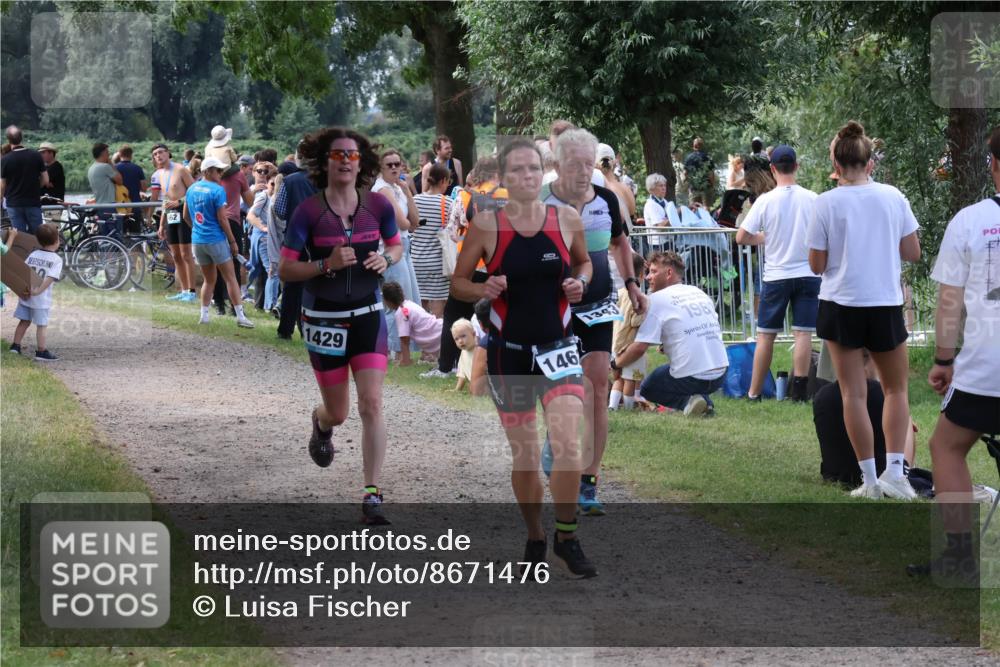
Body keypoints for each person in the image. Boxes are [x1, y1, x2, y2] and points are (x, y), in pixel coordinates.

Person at [452, 137, 598, 577]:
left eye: (533, 168)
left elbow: (584, 264)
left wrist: (579, 283)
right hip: (509, 355)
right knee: (526, 456)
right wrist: (483, 288)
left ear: (543, 171)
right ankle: (535, 534)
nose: (527, 176)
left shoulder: (566, 218)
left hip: (559, 349)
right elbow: (458, 283)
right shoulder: (486, 225)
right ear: (502, 177)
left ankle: (567, 537)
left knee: (568, 442)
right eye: (516, 170)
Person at [279, 126, 402, 525]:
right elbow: (285, 269)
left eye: (352, 155)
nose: (346, 161)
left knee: (372, 403)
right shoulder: (308, 212)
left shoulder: (379, 205)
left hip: (367, 313)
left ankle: (372, 493)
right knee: (339, 411)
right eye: (338, 155)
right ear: (325, 162)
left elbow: (396, 244)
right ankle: (321, 423)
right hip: (323, 317)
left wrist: (387, 258)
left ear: (362, 163)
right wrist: (324, 264)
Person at [807, 120, 921, 500]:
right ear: (870, 163)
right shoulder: (893, 196)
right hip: (884, 302)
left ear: (836, 165)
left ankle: (869, 481)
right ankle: (896, 473)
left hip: (841, 303)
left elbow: (817, 265)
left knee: (852, 394)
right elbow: (913, 252)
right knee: (896, 390)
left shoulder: (825, 202)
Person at [909, 126, 1000, 578]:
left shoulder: (970, 221)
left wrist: (944, 359)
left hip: (988, 369)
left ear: (994, 165)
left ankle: (961, 556)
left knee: (946, 446)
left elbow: (950, 300)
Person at [543, 128, 647, 516]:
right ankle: (555, 442)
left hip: (598, 302)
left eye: (589, 163)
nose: (584, 171)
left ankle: (589, 480)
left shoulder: (606, 198)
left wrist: (632, 285)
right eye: (575, 164)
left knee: (598, 386)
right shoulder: (542, 199)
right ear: (559, 165)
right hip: (552, 306)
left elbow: (620, 243)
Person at [736, 145, 820, 402]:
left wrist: (764, 238)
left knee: (766, 335)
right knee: (803, 333)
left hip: (776, 275)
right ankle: (799, 393)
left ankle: (754, 392)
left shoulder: (765, 200)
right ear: (796, 166)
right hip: (808, 273)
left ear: (772, 169)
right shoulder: (813, 198)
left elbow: (741, 237)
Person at [614, 251, 729, 417]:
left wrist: (615, 364)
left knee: (648, 388)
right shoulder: (698, 292)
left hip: (693, 376)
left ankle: (690, 402)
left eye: (653, 271)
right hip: (721, 373)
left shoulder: (656, 300)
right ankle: (702, 403)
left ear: (669, 273)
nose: (648, 277)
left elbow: (639, 348)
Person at [425, 157, 508, 379]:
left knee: (454, 314)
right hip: (501, 267)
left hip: (472, 267)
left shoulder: (465, 196)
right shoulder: (509, 197)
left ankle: (446, 367)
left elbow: (452, 231)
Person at [183, 157, 255, 329]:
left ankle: (204, 316)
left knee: (209, 280)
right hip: (216, 239)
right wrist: (232, 241)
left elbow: (186, 216)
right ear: (208, 171)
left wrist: (198, 229)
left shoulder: (191, 188)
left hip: (198, 241)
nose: (221, 173)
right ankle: (240, 316)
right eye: (218, 170)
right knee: (230, 277)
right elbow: (223, 219)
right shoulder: (217, 190)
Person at [373, 149, 420, 357]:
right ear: (381, 168)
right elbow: (403, 223)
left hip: (405, 244)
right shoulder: (382, 189)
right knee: (396, 301)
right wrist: (409, 223)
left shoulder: (397, 188)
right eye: (389, 165)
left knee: (409, 300)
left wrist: (408, 191)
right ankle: (394, 351)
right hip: (390, 247)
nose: (394, 168)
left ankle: (401, 351)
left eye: (397, 164)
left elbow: (414, 221)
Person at [273, 144, 318, 340]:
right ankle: (311, 330)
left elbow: (280, 211)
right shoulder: (327, 181)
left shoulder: (289, 181)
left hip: (294, 240)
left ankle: (285, 330)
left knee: (292, 286)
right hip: (321, 239)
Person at [150, 144, 197, 302]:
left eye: (161, 152)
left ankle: (192, 291)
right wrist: (161, 224)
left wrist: (179, 201)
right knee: (176, 255)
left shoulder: (181, 169)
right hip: (170, 214)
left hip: (183, 212)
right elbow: (165, 200)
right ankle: (184, 290)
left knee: (186, 254)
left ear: (168, 153)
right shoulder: (160, 174)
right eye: (155, 154)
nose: (158, 156)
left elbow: (194, 191)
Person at [8, 223, 62, 361]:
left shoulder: (33, 254)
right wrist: (38, 292)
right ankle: (41, 351)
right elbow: (50, 278)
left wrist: (23, 288)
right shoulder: (56, 259)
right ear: (56, 241)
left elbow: (24, 271)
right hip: (41, 300)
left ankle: (15, 346)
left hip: (26, 295)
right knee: (42, 325)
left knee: (24, 321)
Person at [411, 163, 454, 316]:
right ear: (443, 180)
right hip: (437, 266)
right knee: (437, 314)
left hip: (416, 262)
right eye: (448, 182)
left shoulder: (415, 200)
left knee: (419, 311)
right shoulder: (447, 203)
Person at [214, 154, 255, 314]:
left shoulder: (212, 174)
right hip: (232, 221)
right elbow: (250, 201)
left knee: (216, 263)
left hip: (214, 222)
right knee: (235, 263)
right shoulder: (238, 175)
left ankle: (219, 304)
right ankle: (235, 306)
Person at [609, 252, 649, 410]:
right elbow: (634, 321)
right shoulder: (639, 297)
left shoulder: (618, 294)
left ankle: (612, 406)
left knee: (618, 378)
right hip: (629, 345)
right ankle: (628, 407)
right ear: (641, 275)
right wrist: (645, 314)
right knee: (630, 379)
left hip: (615, 343)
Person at [0, 126, 49, 234]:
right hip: (33, 202)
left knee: (20, 237)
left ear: (8, 140)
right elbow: (46, 179)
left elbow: (2, 185)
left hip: (14, 203)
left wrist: (1, 198)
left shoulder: (5, 159)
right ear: (21, 138)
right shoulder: (36, 155)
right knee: (37, 235)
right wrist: (36, 187)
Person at [382, 281, 443, 366]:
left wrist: (405, 361)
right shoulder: (409, 304)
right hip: (441, 328)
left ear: (387, 301)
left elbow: (404, 339)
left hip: (440, 336)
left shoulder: (401, 312)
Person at [246, 162, 279, 311]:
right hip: (263, 238)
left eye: (278, 184)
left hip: (269, 238)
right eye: (272, 184)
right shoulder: (263, 196)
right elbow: (250, 215)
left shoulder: (278, 197)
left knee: (256, 269)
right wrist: (264, 228)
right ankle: (270, 306)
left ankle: (238, 293)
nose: (274, 187)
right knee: (272, 271)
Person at [642, 173, 679, 252]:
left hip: (668, 241)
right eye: (660, 186)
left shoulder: (664, 202)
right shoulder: (651, 204)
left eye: (664, 185)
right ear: (652, 189)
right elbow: (660, 227)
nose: (664, 188)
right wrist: (675, 215)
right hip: (657, 244)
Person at [115, 144, 147, 230]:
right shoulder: (138, 168)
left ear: (119, 154)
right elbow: (144, 188)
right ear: (131, 155)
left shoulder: (114, 168)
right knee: (136, 233)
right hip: (135, 205)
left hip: (120, 207)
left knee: (120, 233)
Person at [683, 137, 717, 207]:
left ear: (693, 146)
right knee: (706, 207)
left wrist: (687, 184)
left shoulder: (689, 158)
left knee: (694, 208)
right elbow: (711, 174)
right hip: (706, 187)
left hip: (694, 188)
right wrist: (713, 185)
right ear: (702, 146)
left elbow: (685, 173)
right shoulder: (707, 157)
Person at [87, 143, 123, 207]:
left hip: (98, 204)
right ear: (103, 153)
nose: (109, 154)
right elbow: (120, 181)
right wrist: (111, 164)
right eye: (107, 152)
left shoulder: (91, 168)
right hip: (108, 204)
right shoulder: (105, 167)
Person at [449, 318, 477, 392]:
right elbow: (462, 374)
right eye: (456, 339)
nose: (460, 341)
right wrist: (457, 389)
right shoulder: (463, 352)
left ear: (473, 334)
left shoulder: (480, 350)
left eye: (463, 336)